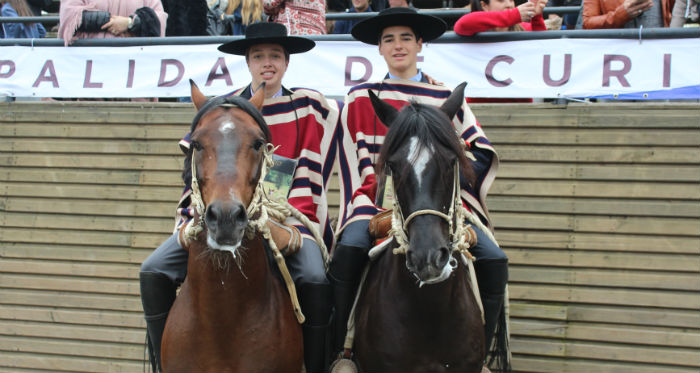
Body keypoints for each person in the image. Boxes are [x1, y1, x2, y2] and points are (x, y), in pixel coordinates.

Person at [139, 22, 338, 373]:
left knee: (314, 277)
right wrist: (190, 221)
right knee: (153, 270)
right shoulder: (223, 112)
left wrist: (287, 224)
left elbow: (313, 169)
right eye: (259, 56)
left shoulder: (308, 106)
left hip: (288, 218)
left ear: (286, 62)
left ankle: (318, 364)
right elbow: (196, 173)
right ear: (248, 62)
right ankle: (160, 362)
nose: (267, 63)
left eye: (275, 55)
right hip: (223, 211)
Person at [329, 6, 508, 368]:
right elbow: (355, 157)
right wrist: (375, 199)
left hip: (441, 202)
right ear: (379, 48)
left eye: (406, 38)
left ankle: (484, 354)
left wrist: (451, 187)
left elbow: (477, 149)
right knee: (348, 250)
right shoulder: (362, 97)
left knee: (494, 259)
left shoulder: (443, 97)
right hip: (377, 201)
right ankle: (340, 349)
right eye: (389, 40)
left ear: (420, 43)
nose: (398, 46)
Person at [58, 0, 167, 46]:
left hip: (134, 69)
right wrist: (111, 21)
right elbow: (69, 15)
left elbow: (159, 17)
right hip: (90, 64)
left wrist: (130, 23)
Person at [454, 0, 547, 35]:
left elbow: (542, 46)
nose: (508, 4)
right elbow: (462, 24)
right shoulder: (475, 28)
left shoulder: (523, 27)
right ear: (484, 5)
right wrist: (514, 15)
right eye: (501, 0)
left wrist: (536, 17)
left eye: (511, 0)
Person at [582, 0, 673, 28]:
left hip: (657, 52)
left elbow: (675, 11)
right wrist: (619, 16)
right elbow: (587, 23)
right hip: (618, 55)